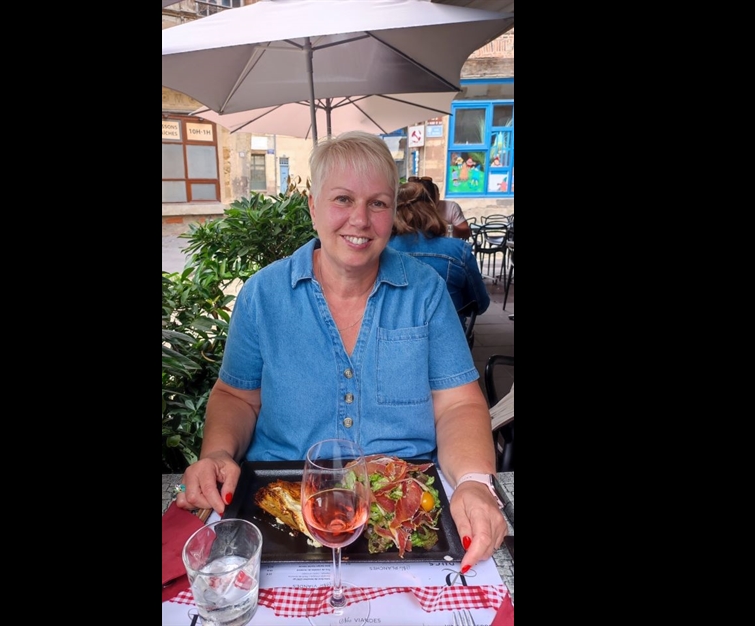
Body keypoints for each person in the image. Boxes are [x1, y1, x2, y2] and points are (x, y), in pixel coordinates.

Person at [175, 131, 507, 571]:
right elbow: (237, 396)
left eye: (377, 203)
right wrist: (217, 454)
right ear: (313, 206)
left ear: (393, 212)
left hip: (409, 507)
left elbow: (458, 404)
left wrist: (474, 481)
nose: (360, 219)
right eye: (343, 199)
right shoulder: (263, 295)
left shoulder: (425, 291)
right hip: (278, 504)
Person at [388, 181, 490, 325]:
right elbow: (480, 304)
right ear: (431, 209)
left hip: (392, 334)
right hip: (448, 334)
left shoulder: (379, 250)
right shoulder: (458, 251)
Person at [408, 176, 472, 241]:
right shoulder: (410, 209)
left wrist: (446, 227)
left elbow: (466, 232)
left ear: (437, 195)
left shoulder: (451, 207)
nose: (429, 203)